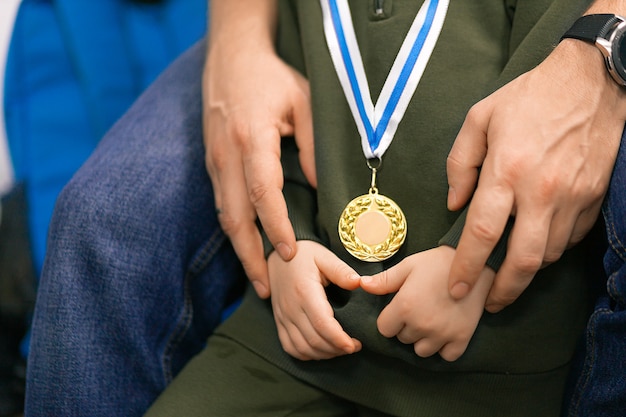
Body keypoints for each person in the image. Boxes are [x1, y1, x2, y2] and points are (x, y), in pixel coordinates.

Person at [25, 0, 625, 416]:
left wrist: (472, 260)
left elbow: (545, 142)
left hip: (483, 362)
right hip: (293, 344)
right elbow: (272, 127)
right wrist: (281, 251)